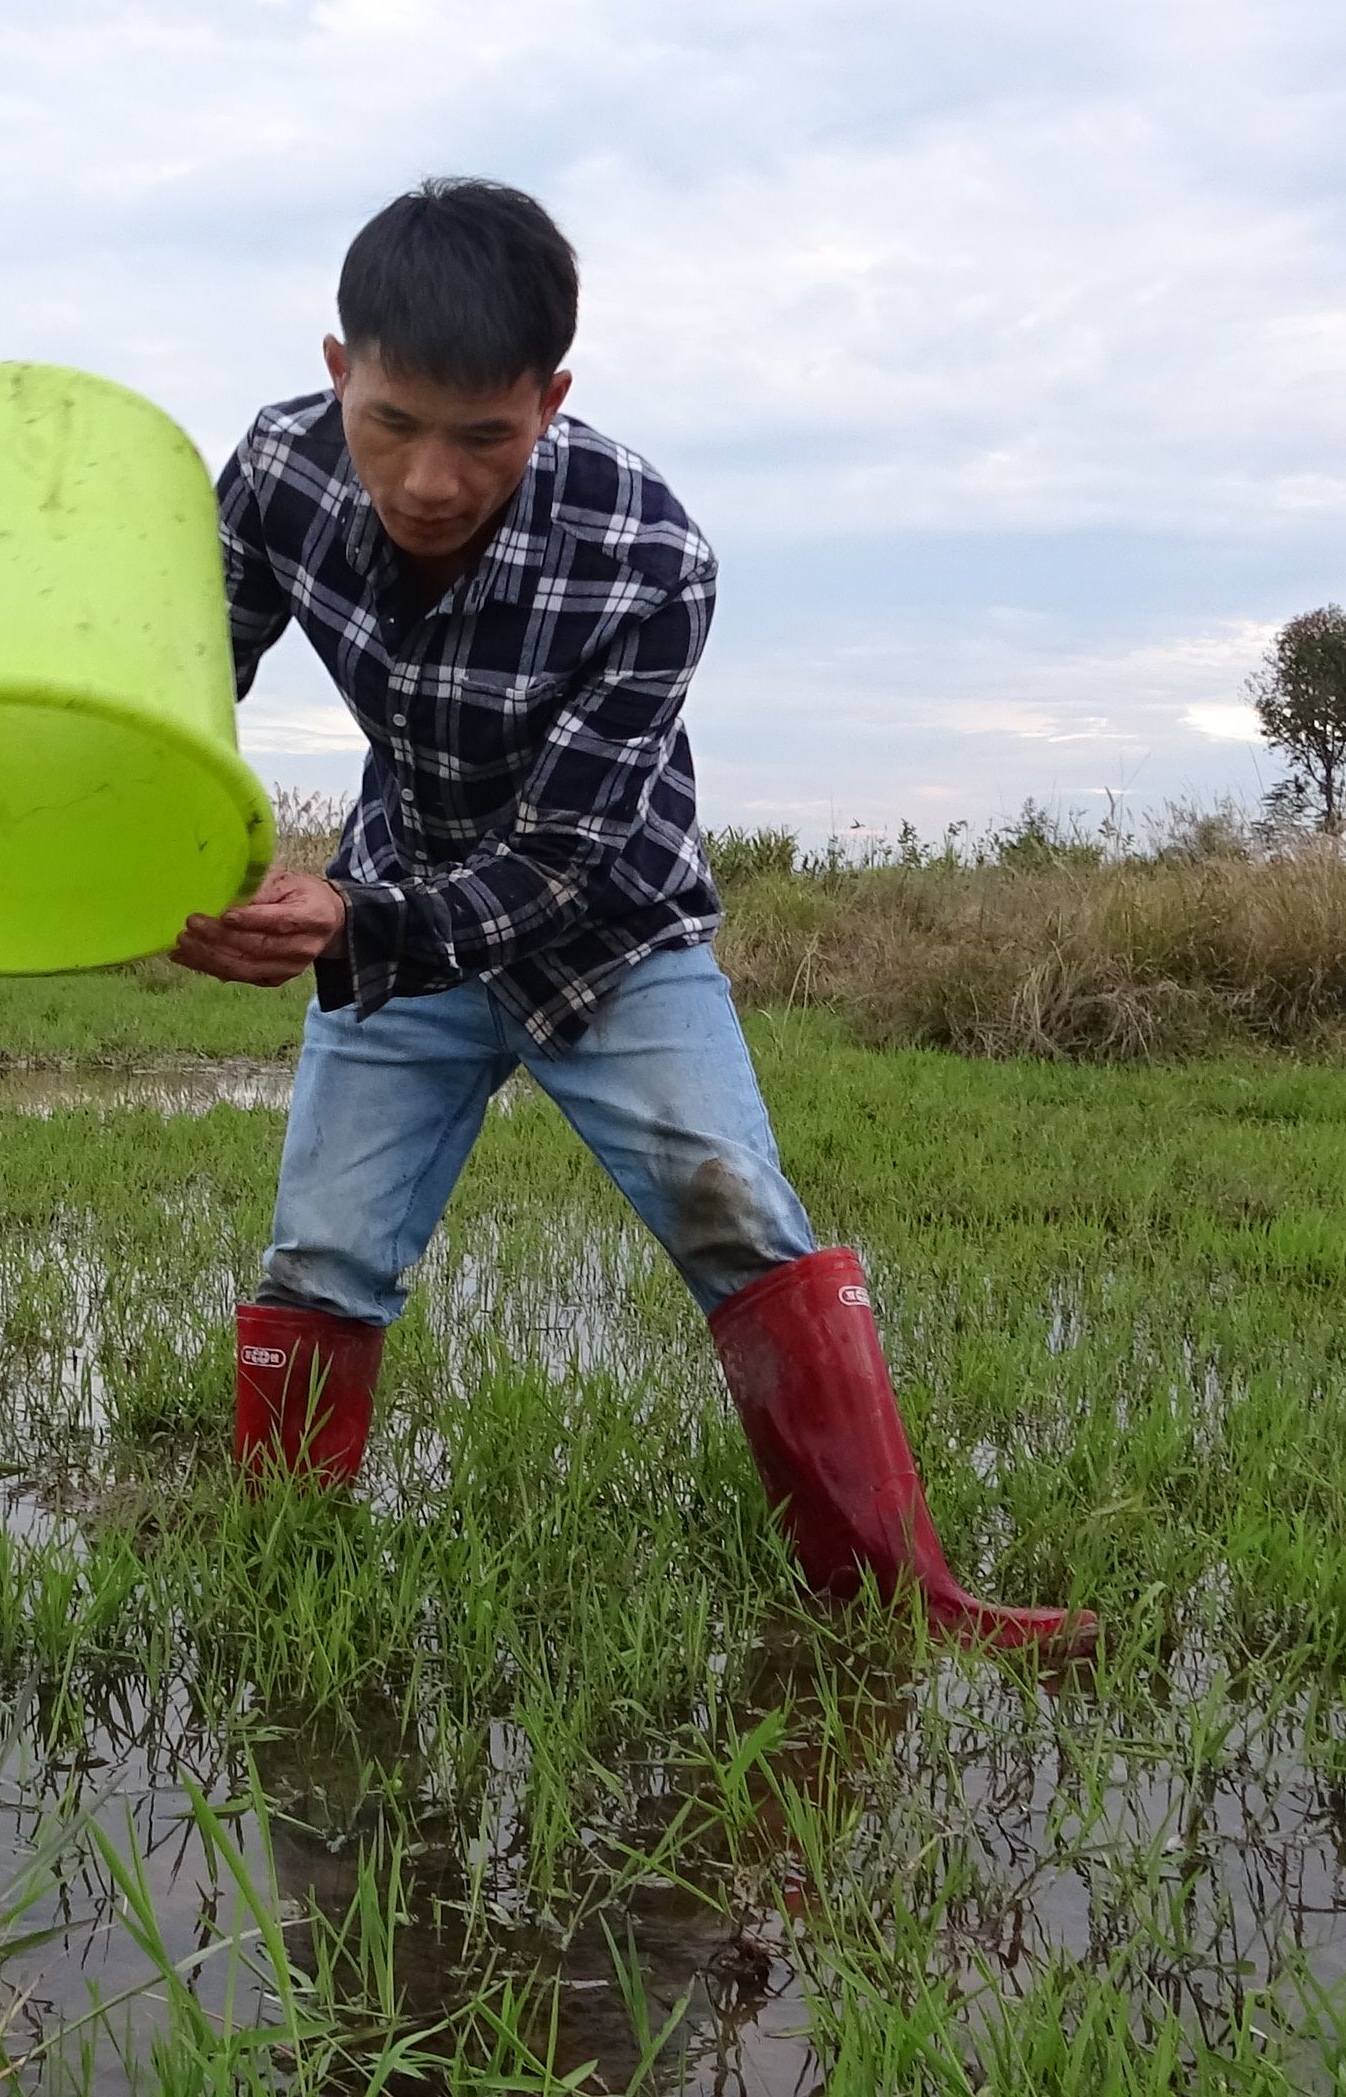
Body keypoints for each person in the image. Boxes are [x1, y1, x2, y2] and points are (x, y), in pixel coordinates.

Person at [170, 178, 1094, 1657]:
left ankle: (898, 1595)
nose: (426, 480)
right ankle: (277, 1578)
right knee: (324, 1254)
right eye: (392, 422)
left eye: (484, 438)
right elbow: (180, 688)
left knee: (742, 1216)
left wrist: (348, 924)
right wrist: (165, 876)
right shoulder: (276, 467)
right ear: (340, 370)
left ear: (551, 400)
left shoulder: (649, 553)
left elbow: (563, 862)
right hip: (399, 897)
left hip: (608, 929)